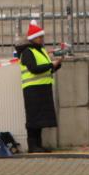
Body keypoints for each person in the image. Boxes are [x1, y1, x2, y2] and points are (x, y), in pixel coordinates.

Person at [15, 20, 61, 153]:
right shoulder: (28, 52)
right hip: (32, 90)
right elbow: (34, 69)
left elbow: (46, 69)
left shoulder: (41, 51)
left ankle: (38, 145)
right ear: (33, 38)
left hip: (42, 88)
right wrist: (51, 65)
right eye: (39, 37)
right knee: (34, 118)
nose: (42, 39)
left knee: (39, 119)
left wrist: (55, 66)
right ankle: (33, 145)